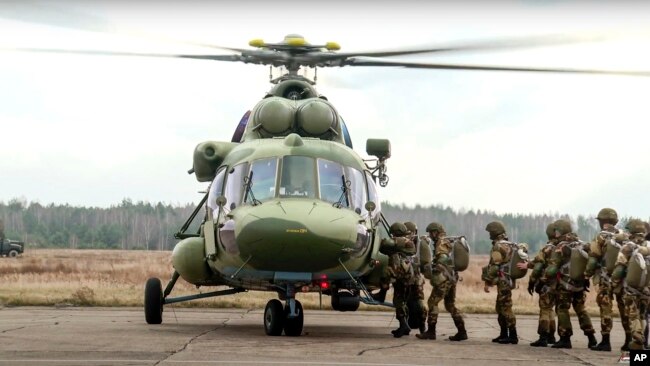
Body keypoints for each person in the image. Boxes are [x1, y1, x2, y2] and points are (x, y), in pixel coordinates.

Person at [584, 208, 630, 352]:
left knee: (606, 309)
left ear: (602, 221)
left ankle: (605, 341)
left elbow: (593, 259)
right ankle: (629, 340)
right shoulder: (624, 236)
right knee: (625, 309)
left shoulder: (601, 237)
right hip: (622, 279)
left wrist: (587, 275)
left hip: (605, 279)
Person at [547, 219, 596, 349]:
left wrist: (545, 276)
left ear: (559, 231)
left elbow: (552, 269)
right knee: (581, 309)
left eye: (556, 230)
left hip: (565, 285)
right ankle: (591, 337)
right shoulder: (581, 244)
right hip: (580, 284)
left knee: (562, 309)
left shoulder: (560, 246)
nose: (555, 233)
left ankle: (565, 338)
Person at [417, 222, 467, 341]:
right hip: (451, 278)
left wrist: (435, 267)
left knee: (432, 303)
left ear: (435, 232)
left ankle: (431, 332)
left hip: (443, 279)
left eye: (431, 232)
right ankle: (462, 332)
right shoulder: (448, 241)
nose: (430, 235)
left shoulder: (441, 243)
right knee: (450, 305)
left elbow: (443, 259)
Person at [517, 222, 558, 347]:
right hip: (559, 285)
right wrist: (529, 264)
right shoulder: (562, 247)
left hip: (547, 284)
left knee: (545, 310)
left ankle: (543, 337)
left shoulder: (548, 248)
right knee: (551, 309)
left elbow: (539, 264)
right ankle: (551, 336)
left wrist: (532, 282)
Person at [611, 219, 649, 351]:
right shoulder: (648, 246)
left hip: (631, 289)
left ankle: (638, 341)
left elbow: (619, 269)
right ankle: (643, 340)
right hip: (647, 289)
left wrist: (614, 284)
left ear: (631, 232)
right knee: (643, 315)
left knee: (633, 315)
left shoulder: (628, 247)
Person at [482, 221, 518, 344]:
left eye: (490, 233)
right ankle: (504, 334)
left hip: (503, 281)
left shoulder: (498, 246)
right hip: (508, 280)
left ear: (494, 232)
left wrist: (487, 281)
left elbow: (494, 266)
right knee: (500, 306)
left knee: (505, 307)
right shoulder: (509, 244)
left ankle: (512, 335)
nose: (489, 235)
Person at [379, 222, 417, 338]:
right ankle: (404, 325)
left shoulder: (401, 241)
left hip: (401, 275)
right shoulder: (406, 243)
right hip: (407, 276)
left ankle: (403, 325)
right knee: (401, 301)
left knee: (398, 301)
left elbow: (384, 243)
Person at [403, 221, 430, 336]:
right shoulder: (401, 243)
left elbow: (425, 260)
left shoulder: (420, 244)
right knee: (403, 303)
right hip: (404, 278)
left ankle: (422, 327)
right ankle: (404, 326)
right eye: (408, 233)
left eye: (412, 232)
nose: (411, 234)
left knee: (419, 304)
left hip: (416, 279)